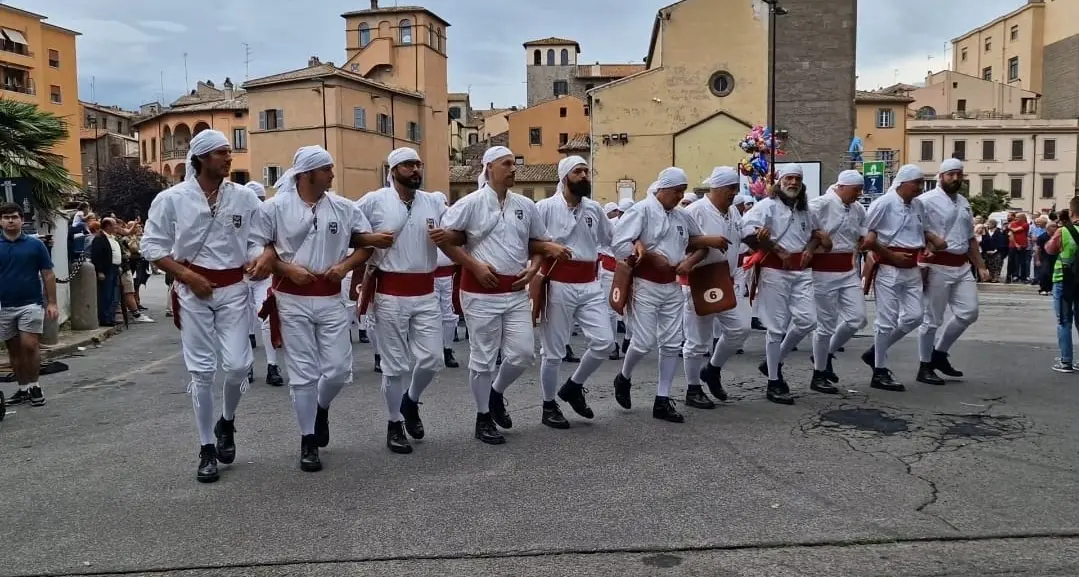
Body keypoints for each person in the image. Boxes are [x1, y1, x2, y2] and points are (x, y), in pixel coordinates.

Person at [249, 146, 388, 471]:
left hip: (330, 298)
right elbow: (256, 246)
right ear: (307, 174)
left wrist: (344, 266)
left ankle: (320, 407)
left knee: (339, 370)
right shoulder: (274, 208)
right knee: (302, 373)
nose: (332, 174)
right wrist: (286, 269)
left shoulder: (344, 207)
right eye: (327, 169)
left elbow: (365, 245)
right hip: (291, 298)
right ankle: (308, 439)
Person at [140, 129, 262, 483]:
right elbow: (152, 246)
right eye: (223, 153)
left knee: (239, 366)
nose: (229, 158)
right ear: (202, 158)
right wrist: (187, 276)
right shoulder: (172, 199)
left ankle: (227, 421)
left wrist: (257, 258)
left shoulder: (244, 197)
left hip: (234, 289)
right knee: (202, 372)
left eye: (229, 152)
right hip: (193, 292)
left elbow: (257, 238)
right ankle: (206, 446)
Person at [439, 146, 568, 445]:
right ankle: (482, 417)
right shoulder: (470, 204)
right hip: (480, 291)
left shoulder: (525, 204)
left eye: (514, 164)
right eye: (506, 164)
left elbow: (540, 243)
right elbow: (445, 241)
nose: (513, 169)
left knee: (523, 353)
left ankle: (495, 393)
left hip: (515, 291)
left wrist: (534, 269)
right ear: (489, 168)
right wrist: (473, 265)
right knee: (482, 357)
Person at [354, 147, 462, 453]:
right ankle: (394, 422)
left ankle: (410, 401)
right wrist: (371, 239)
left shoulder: (433, 201)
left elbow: (454, 233)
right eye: (408, 165)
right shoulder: (374, 201)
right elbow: (351, 233)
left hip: (426, 291)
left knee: (433, 359)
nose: (415, 169)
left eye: (418, 164)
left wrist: (453, 241)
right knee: (394, 365)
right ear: (393, 170)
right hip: (389, 292)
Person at [610, 168, 717, 422]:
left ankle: (662, 398)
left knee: (671, 343)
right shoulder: (641, 211)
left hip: (672, 284)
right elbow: (618, 243)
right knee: (644, 340)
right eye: (676, 191)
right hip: (645, 283)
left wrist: (691, 259)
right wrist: (644, 253)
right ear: (662, 189)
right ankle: (623, 376)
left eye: (682, 191)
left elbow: (697, 242)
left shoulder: (681, 216)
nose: (680, 196)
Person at [534, 155, 613, 428]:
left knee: (605, 342)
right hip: (558, 283)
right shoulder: (544, 207)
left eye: (586, 171)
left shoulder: (594, 209)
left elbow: (611, 239)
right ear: (565, 176)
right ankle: (548, 405)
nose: (584, 176)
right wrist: (547, 250)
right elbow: (530, 242)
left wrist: (635, 245)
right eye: (578, 171)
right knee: (553, 351)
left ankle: (573, 386)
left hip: (589, 284)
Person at [741, 165, 828, 404]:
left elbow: (816, 234)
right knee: (776, 327)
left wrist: (810, 250)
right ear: (779, 182)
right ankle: (773, 380)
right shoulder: (766, 206)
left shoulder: (805, 210)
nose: (793, 183)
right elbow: (747, 232)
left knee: (808, 320)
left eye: (797, 179)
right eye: (789, 178)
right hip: (775, 271)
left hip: (801, 271)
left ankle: (775, 360)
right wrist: (776, 250)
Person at [914, 158, 989, 386]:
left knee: (969, 312)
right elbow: (916, 230)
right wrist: (922, 261)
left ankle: (940, 353)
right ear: (941, 176)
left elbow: (970, 238)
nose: (956, 178)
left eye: (959, 174)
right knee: (931, 319)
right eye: (951, 174)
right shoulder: (925, 201)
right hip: (937, 264)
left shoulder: (964, 202)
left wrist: (981, 265)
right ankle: (924, 365)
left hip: (962, 264)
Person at [681, 167, 750, 409]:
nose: (734, 193)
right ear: (717, 188)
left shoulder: (732, 211)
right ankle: (692, 388)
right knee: (697, 340)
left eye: (735, 188)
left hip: (725, 280)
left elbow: (742, 237)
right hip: (701, 279)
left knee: (740, 328)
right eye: (730, 188)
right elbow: (679, 239)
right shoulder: (694, 211)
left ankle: (712, 369)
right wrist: (706, 241)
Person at [858, 165, 926, 391]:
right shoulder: (884, 203)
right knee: (886, 320)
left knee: (915, 316)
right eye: (917, 182)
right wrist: (891, 255)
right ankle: (879, 369)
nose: (920, 187)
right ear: (903, 183)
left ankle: (875, 351)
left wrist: (930, 246)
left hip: (911, 268)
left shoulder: (918, 205)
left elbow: (920, 232)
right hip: (888, 268)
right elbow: (867, 237)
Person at [808, 170, 868, 392]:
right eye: (856, 190)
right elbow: (804, 226)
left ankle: (825, 354)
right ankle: (819, 374)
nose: (859, 194)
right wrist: (818, 235)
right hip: (823, 270)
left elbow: (863, 233)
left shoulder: (858, 209)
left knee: (857, 319)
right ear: (842, 186)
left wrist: (866, 240)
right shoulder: (820, 204)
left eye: (861, 190)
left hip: (847, 269)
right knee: (825, 325)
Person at [0, 203, 58, 408]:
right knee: (14, 350)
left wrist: (51, 302)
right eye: (6, 217)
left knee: (30, 345)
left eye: (14, 217)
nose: (10, 220)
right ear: (1, 221)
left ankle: (35, 386)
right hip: (4, 306)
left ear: (21, 220)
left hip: (30, 303)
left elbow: (48, 274)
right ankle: (23, 388)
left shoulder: (35, 245)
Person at [244, 181, 283, 386]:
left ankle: (272, 365)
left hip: (262, 276)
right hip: (241, 276)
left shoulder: (267, 218)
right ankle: (247, 365)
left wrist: (264, 262)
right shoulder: (236, 217)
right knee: (241, 322)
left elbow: (276, 245)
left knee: (267, 320)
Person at [1043, 197, 1079, 372]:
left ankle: (1066, 361)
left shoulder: (1063, 231)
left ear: (1071, 212)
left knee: (1064, 321)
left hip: (1064, 279)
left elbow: (1050, 249)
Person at [430, 191, 461, 369]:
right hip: (431, 276)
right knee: (432, 315)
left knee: (448, 314)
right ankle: (434, 350)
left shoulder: (452, 226)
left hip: (448, 275)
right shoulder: (428, 225)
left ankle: (448, 349)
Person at [598, 201, 623, 360]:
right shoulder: (610, 225)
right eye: (618, 211)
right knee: (610, 309)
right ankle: (613, 344)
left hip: (628, 270)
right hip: (609, 270)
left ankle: (629, 339)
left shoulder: (638, 223)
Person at [90, 217, 122, 327]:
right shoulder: (100, 238)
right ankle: (104, 318)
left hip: (114, 268)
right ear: (107, 226)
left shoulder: (112, 238)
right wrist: (100, 271)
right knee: (106, 294)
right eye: (114, 225)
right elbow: (97, 256)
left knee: (113, 294)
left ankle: (111, 317)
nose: (116, 227)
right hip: (106, 269)